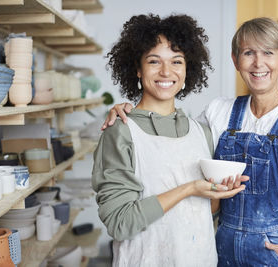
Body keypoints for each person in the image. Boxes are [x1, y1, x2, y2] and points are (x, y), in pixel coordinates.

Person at [102, 17, 278, 267]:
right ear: (235, 60)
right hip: (223, 248)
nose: (258, 63)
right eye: (248, 53)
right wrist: (128, 112)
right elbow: (176, 141)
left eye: (268, 53)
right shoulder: (217, 113)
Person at [92, 14, 248, 267]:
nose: (166, 71)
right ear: (138, 68)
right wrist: (189, 189)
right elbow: (120, 223)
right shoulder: (120, 131)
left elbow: (203, 214)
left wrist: (218, 193)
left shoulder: (201, 131)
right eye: (154, 61)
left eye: (177, 61)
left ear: (188, 69)